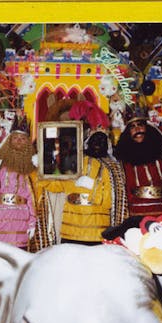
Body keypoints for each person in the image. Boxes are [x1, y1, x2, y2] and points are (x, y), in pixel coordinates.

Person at [34, 100, 128, 247]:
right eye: (95, 140)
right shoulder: (74, 161)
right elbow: (56, 187)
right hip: (70, 228)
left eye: (102, 141)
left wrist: (93, 186)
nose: (97, 144)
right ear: (87, 141)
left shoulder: (113, 168)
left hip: (96, 230)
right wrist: (44, 166)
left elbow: (111, 201)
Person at [114, 107, 162, 217]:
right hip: (135, 213)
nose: (137, 130)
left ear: (147, 128)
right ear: (128, 132)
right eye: (132, 127)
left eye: (140, 125)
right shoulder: (123, 160)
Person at [0, 116, 37, 248]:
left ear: (27, 143)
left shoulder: (32, 168)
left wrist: (32, 223)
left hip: (21, 224)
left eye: (23, 138)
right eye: (15, 138)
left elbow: (33, 200)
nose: (19, 141)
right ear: (9, 140)